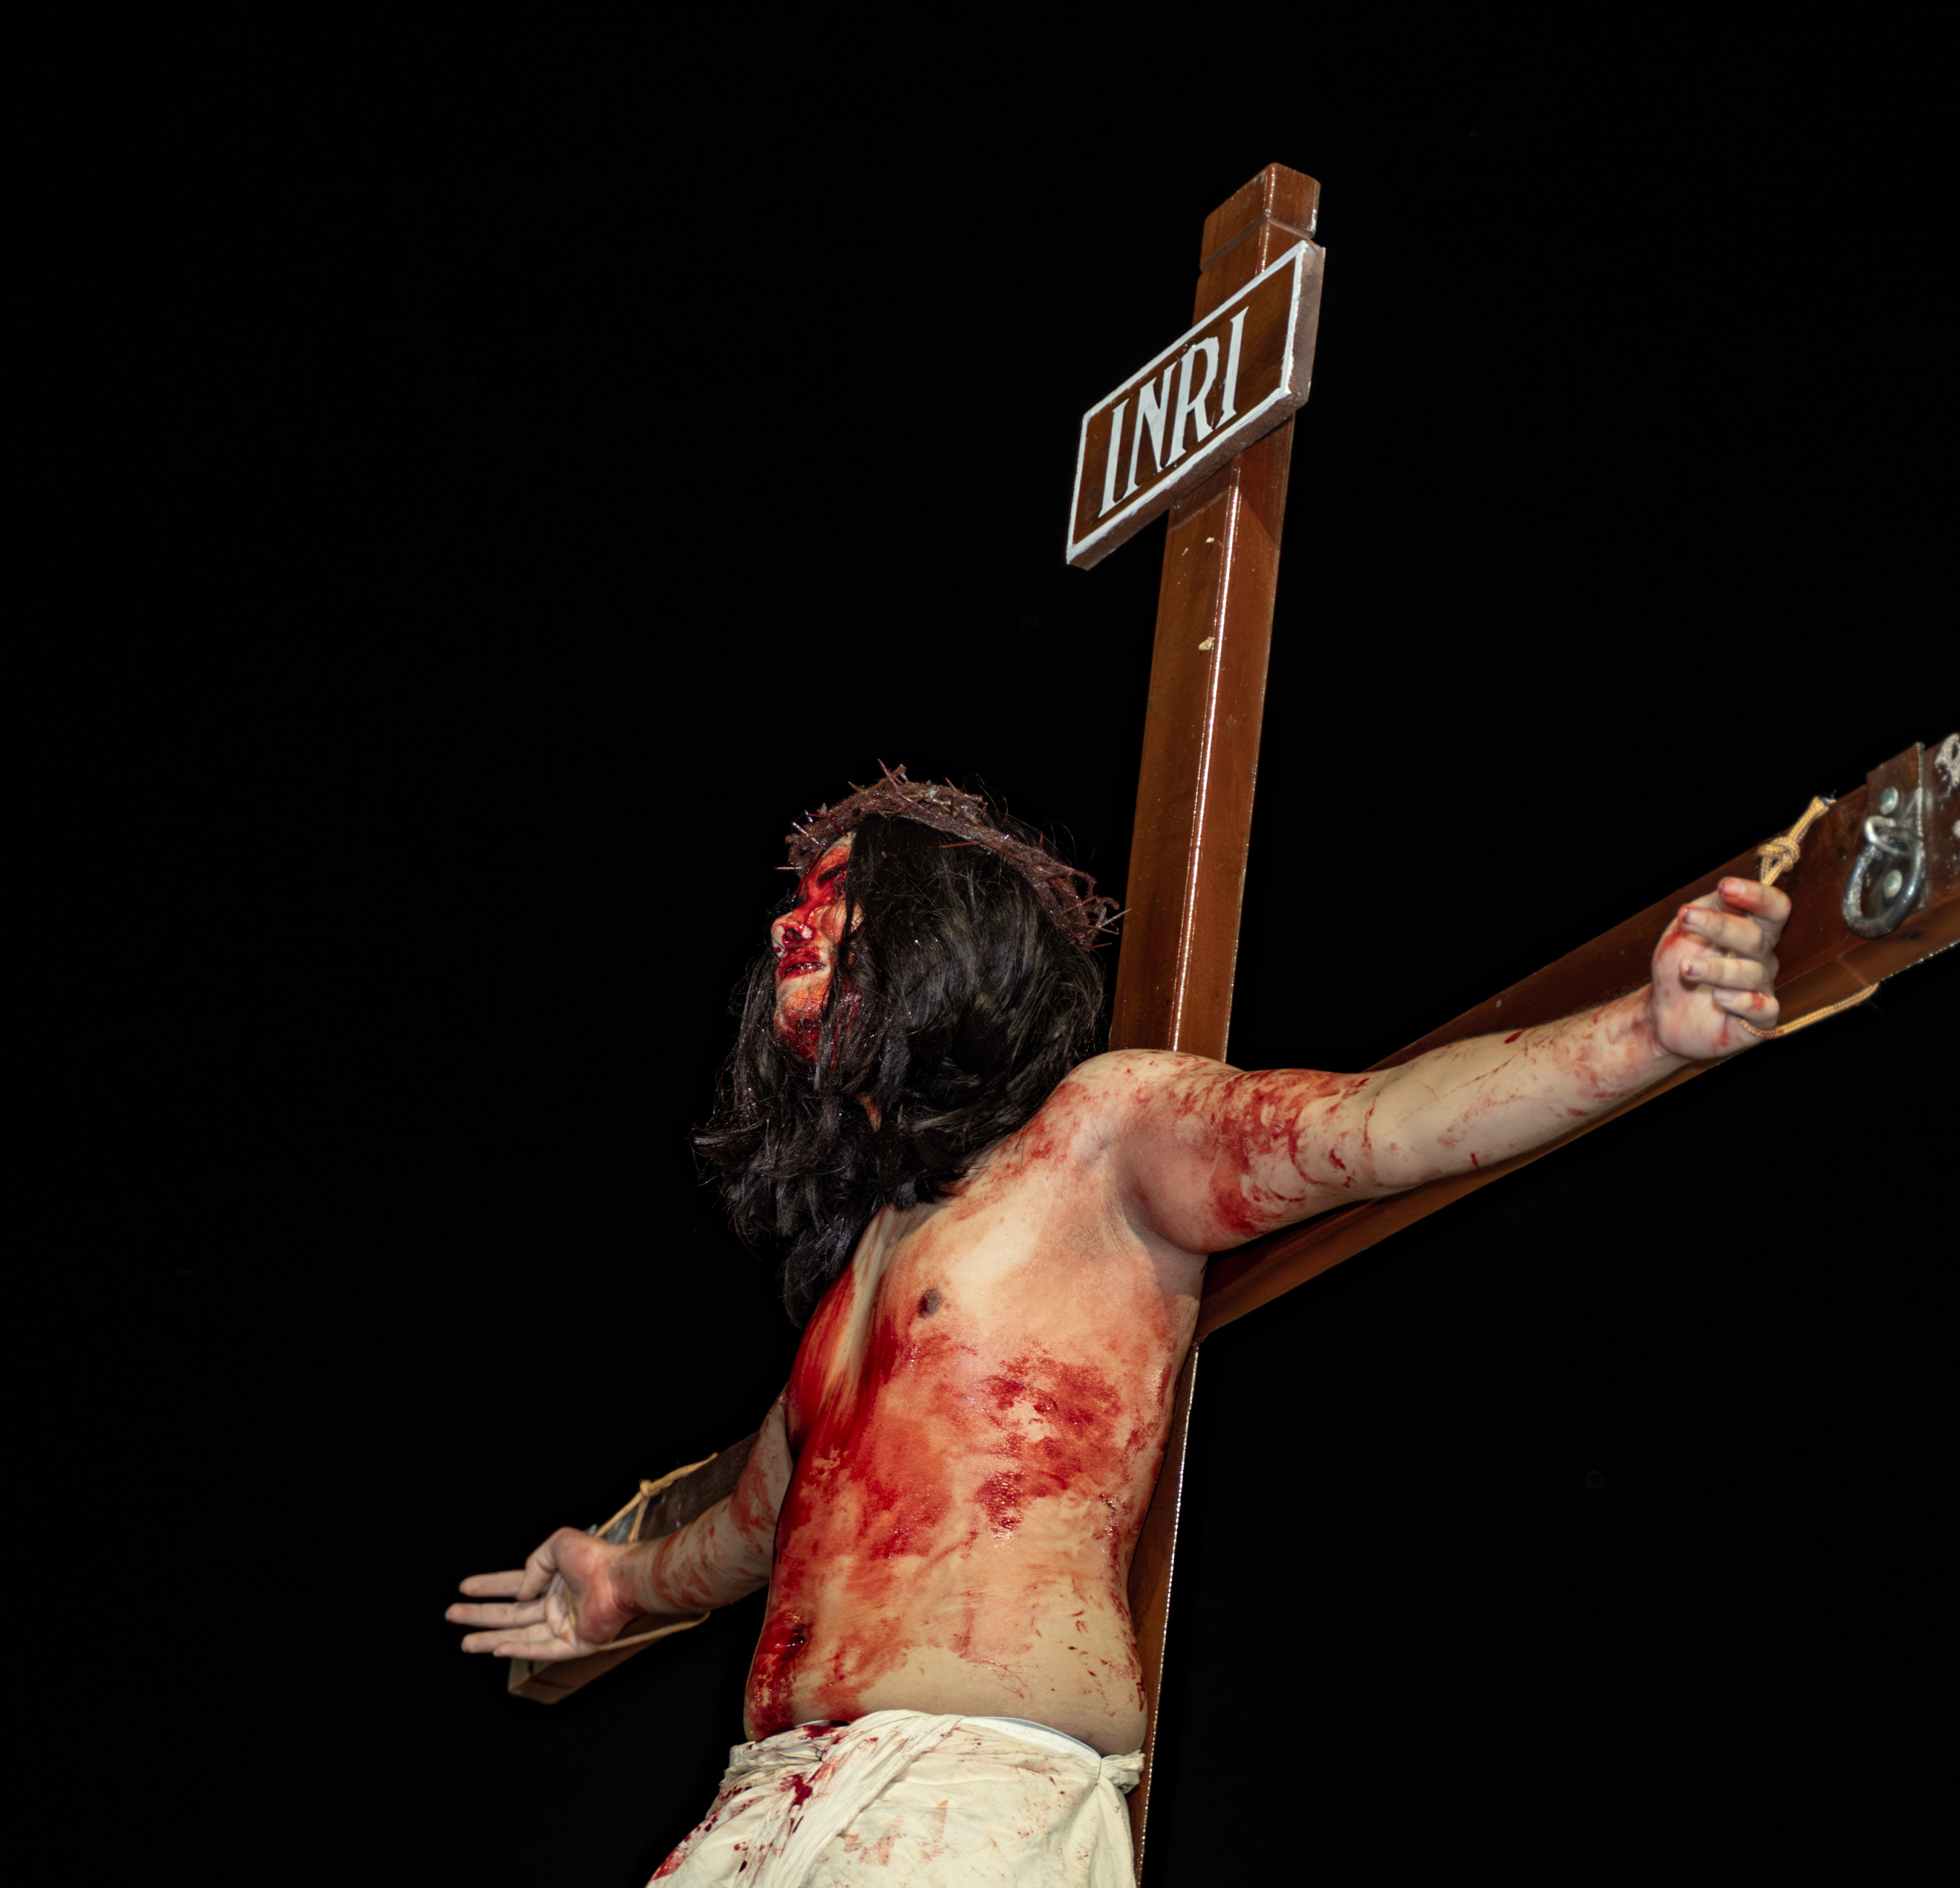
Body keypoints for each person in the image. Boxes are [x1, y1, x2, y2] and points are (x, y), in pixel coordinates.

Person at [448, 768, 1790, 1885]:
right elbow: (761, 1519)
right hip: (765, 1807)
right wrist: (618, 1587)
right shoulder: (869, 1263)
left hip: (964, 1800)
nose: (798, 927)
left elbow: (1370, 1127)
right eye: (798, 903)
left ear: (948, 931)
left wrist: (1641, 1034)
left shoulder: (1098, 1136)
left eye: (843, 895)